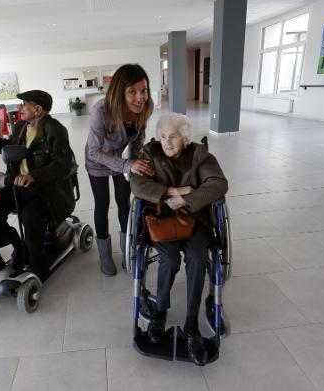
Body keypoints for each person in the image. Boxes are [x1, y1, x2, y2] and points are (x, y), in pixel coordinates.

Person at [130, 114, 228, 366]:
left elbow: (218, 183)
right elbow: (138, 185)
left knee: (197, 258)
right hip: (161, 220)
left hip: (195, 219)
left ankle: (191, 325)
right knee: (170, 259)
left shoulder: (199, 156)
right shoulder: (150, 153)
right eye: (163, 136)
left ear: (184, 137)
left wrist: (187, 199)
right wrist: (172, 192)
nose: (167, 141)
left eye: (173, 136)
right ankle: (159, 313)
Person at [0, 90, 75, 280]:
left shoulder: (55, 129)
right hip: (18, 185)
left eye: (25, 105)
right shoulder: (21, 126)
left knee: (29, 216)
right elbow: (9, 147)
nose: (21, 109)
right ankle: (18, 246)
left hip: (46, 191)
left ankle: (38, 264)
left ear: (37, 109)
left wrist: (33, 176)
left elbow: (63, 165)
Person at [85, 64, 155, 276]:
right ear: (119, 92)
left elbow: (137, 142)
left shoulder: (144, 108)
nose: (140, 97)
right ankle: (105, 256)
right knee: (102, 204)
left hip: (119, 160)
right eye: (132, 92)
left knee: (124, 202)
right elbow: (95, 151)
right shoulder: (101, 111)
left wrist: (135, 164)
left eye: (143, 90)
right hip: (97, 160)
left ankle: (127, 252)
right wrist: (127, 164)